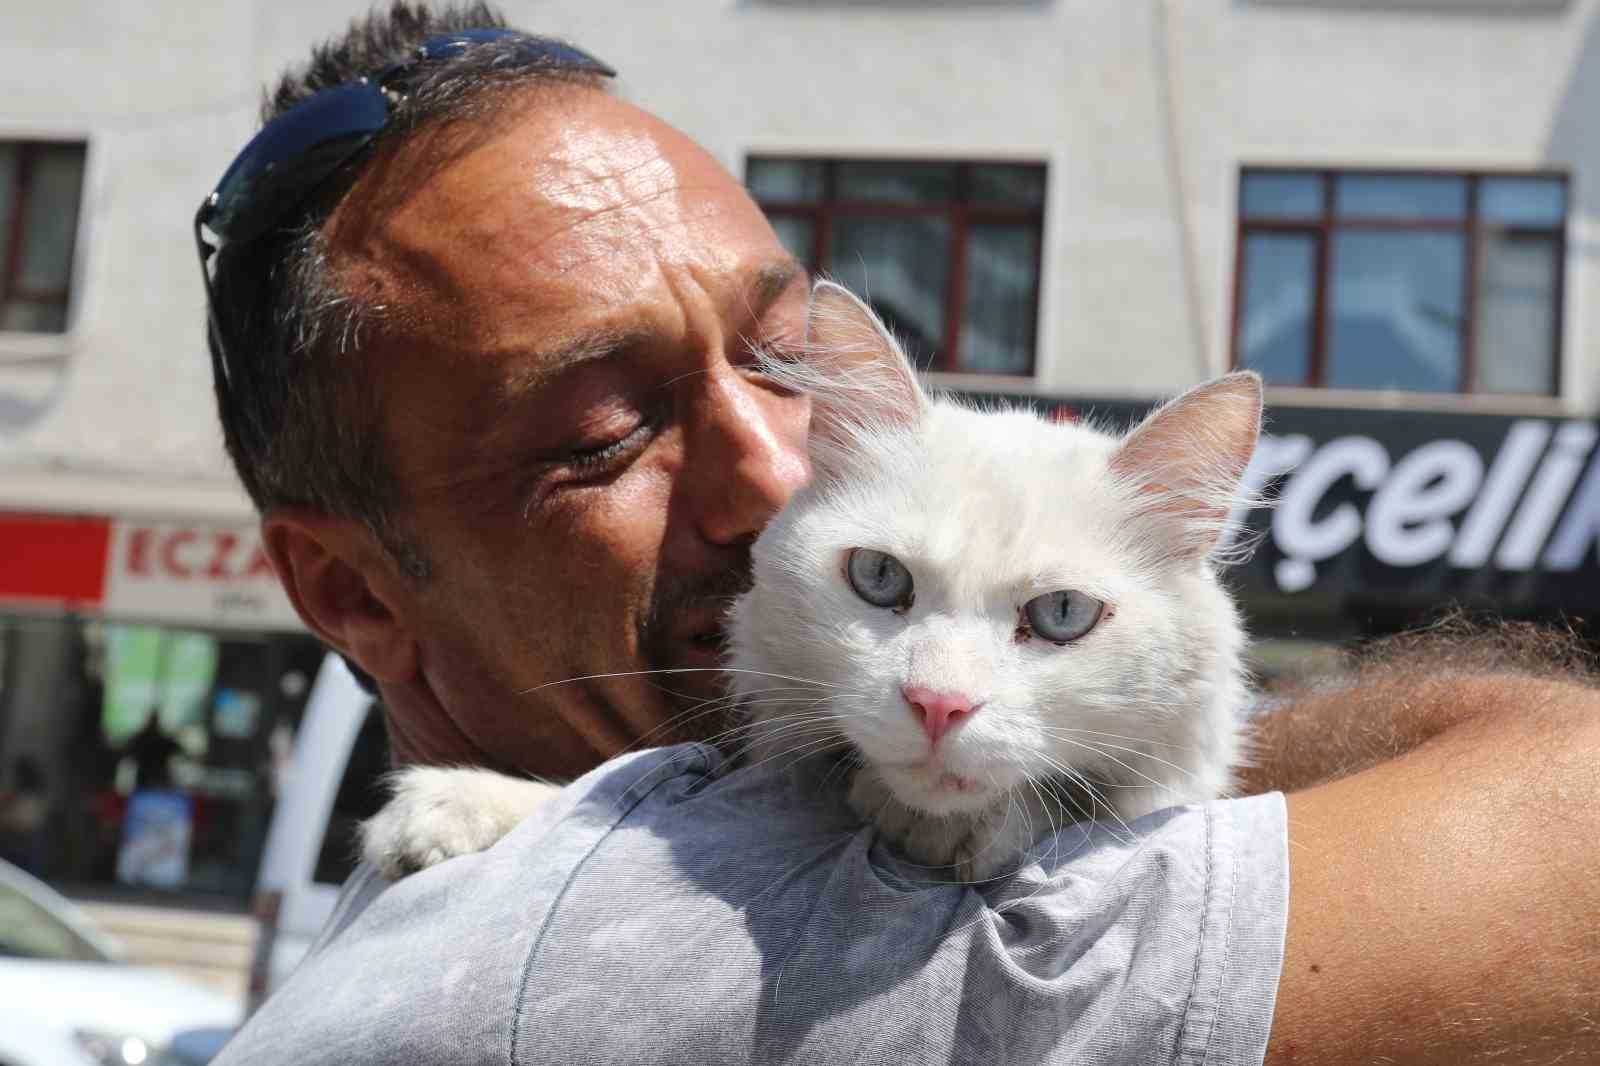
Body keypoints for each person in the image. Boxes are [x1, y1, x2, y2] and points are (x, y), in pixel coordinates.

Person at [202, 5, 1600, 1063]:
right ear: (349, 588)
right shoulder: (647, 949)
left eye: (776, 356)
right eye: (604, 435)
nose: (773, 471)